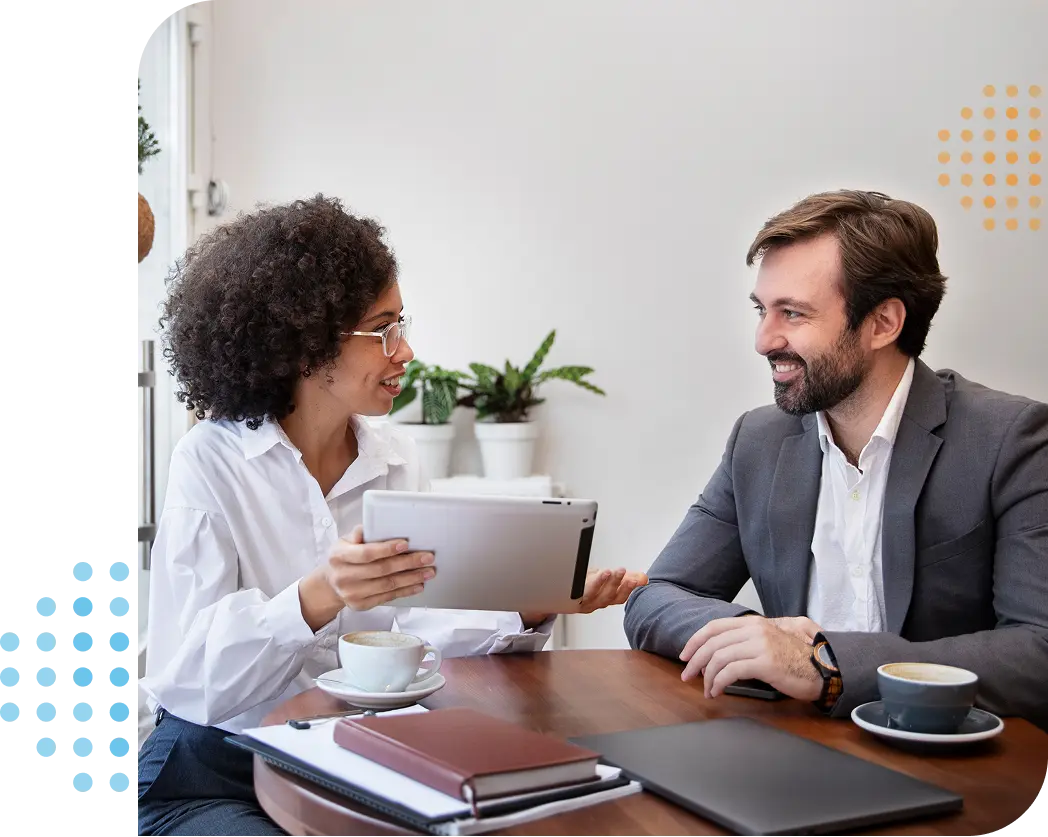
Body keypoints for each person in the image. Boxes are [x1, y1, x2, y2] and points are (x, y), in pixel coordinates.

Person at [137, 193, 647, 837]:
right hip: (213, 772)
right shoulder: (210, 461)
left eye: (401, 323)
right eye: (383, 330)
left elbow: (417, 628)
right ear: (304, 346)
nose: (404, 351)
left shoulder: (395, 458)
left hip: (356, 760)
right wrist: (316, 597)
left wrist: (531, 605)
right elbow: (190, 681)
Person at [623, 189, 1047, 729]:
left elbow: (1038, 652)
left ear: (883, 323)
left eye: (793, 313)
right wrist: (761, 642)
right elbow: (658, 596)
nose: (762, 339)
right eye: (761, 310)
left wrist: (826, 664)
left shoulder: (1012, 440)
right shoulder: (758, 441)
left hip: (951, 761)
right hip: (795, 748)